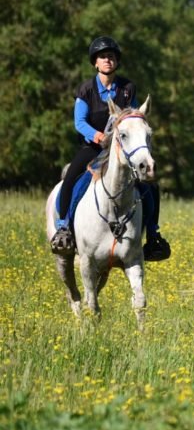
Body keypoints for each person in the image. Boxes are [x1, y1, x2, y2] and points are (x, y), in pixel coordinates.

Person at [50, 36, 171, 261]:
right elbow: (79, 122)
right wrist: (97, 136)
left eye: (111, 56)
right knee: (72, 179)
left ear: (117, 61)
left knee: (150, 185)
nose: (107, 60)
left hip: (120, 149)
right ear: (95, 62)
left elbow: (133, 117)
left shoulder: (127, 88)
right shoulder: (86, 90)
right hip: (93, 148)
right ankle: (64, 227)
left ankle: (153, 235)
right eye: (103, 57)